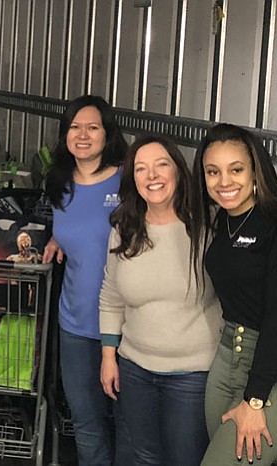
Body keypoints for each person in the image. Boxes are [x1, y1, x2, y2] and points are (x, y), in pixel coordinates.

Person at [99, 136, 222, 465]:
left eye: (161, 164)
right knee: (144, 458)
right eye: (141, 168)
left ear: (178, 171)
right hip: (135, 368)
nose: (151, 175)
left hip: (193, 375)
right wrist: (109, 356)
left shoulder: (209, 226)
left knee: (186, 459)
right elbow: (111, 297)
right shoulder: (125, 228)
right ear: (133, 179)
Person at [43, 94, 130, 466]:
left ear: (107, 134)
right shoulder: (59, 183)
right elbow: (73, 229)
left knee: (129, 425)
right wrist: (55, 238)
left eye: (92, 127)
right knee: (87, 424)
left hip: (129, 329)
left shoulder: (129, 182)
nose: (82, 135)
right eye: (74, 127)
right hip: (76, 324)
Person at [192, 123, 277, 466]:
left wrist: (255, 399)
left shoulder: (272, 223)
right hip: (226, 360)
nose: (224, 182)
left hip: (268, 372)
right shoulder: (222, 221)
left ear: (255, 169)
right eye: (213, 172)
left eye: (236, 169)